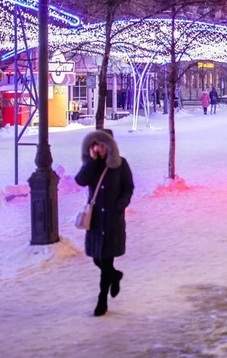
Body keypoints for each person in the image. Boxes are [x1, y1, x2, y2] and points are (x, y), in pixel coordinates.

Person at [75, 129, 134, 317]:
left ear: (110, 146)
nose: (98, 149)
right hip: (95, 221)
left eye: (102, 145)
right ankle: (115, 276)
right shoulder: (92, 165)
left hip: (111, 221)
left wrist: (119, 206)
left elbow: (128, 188)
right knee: (96, 258)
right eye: (95, 145)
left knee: (106, 259)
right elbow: (80, 181)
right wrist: (92, 161)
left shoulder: (120, 164)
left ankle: (102, 300)